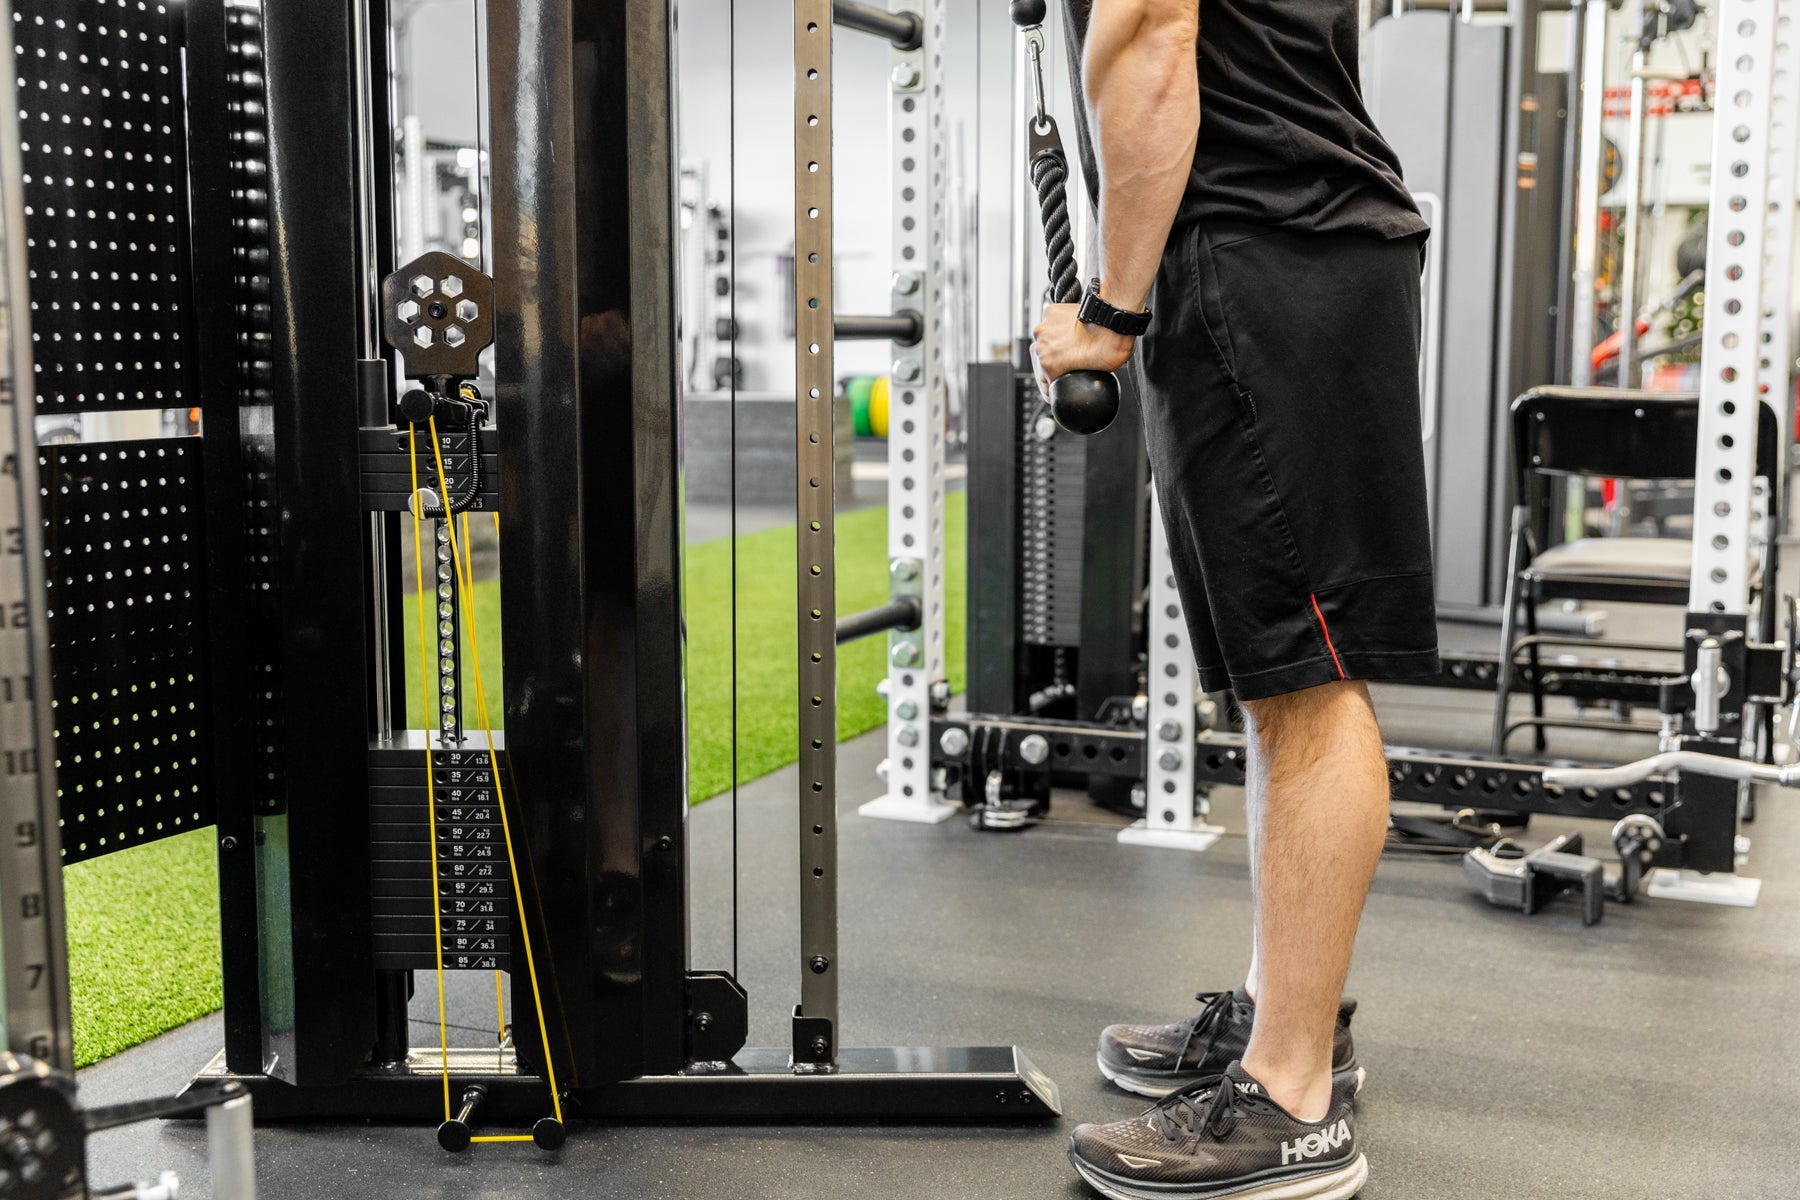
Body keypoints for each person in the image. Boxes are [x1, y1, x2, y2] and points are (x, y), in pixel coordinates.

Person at [1031, 0, 1436, 1196]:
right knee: (1283, 679)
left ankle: (1293, 1100)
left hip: (1264, 251)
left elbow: (1151, 31)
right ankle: (1288, 1022)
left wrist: (1110, 309)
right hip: (1285, 247)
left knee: (1306, 681)